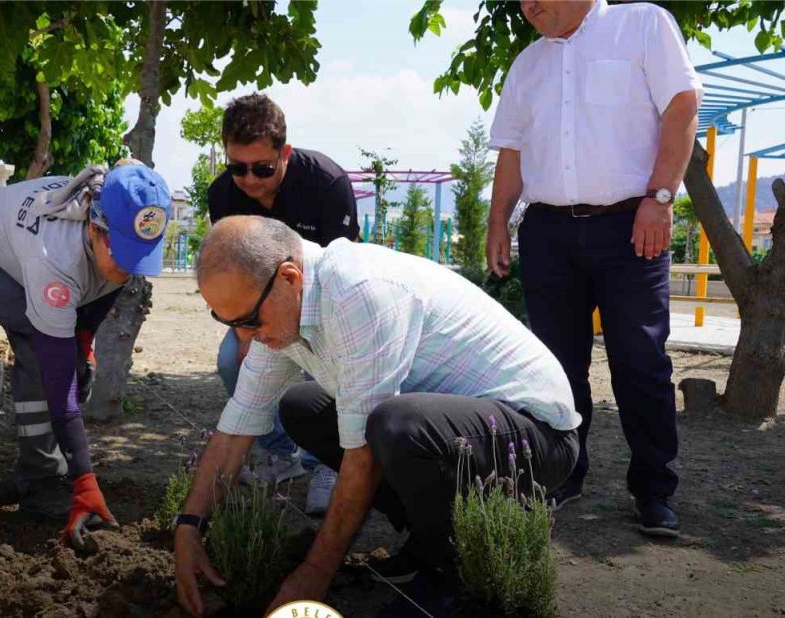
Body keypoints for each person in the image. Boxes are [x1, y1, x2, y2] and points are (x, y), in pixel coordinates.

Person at [172, 216, 580, 617]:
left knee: (396, 426)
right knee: (302, 408)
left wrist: (314, 573)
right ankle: (427, 539)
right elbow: (235, 430)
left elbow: (363, 455)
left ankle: (455, 575)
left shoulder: (358, 293)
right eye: (228, 322)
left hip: (534, 439)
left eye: (247, 321)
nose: (243, 337)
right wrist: (189, 526)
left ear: (290, 278)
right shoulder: (278, 310)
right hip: (459, 433)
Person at [485, 0, 702, 537]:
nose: (529, 7)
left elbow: (683, 103)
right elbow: (511, 152)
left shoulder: (642, 23)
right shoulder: (526, 64)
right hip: (548, 232)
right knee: (555, 367)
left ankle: (655, 489)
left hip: (633, 223)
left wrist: (660, 196)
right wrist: (497, 222)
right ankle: (562, 473)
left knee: (640, 361)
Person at [0, 161, 172, 546]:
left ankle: (45, 468)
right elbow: (59, 386)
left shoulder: (119, 239)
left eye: (140, 256)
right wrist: (86, 482)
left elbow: (100, 296)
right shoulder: (53, 260)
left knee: (72, 362)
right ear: (94, 228)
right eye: (124, 255)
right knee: (39, 358)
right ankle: (38, 480)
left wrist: (83, 347)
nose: (130, 268)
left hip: (37, 246)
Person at [208, 93, 360, 514]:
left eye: (263, 168)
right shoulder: (222, 197)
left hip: (326, 304)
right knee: (228, 363)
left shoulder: (327, 182)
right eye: (237, 168)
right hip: (260, 307)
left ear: (285, 153)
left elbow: (344, 269)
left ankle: (327, 460)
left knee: (323, 374)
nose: (250, 181)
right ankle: (281, 454)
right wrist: (243, 335)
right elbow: (234, 276)